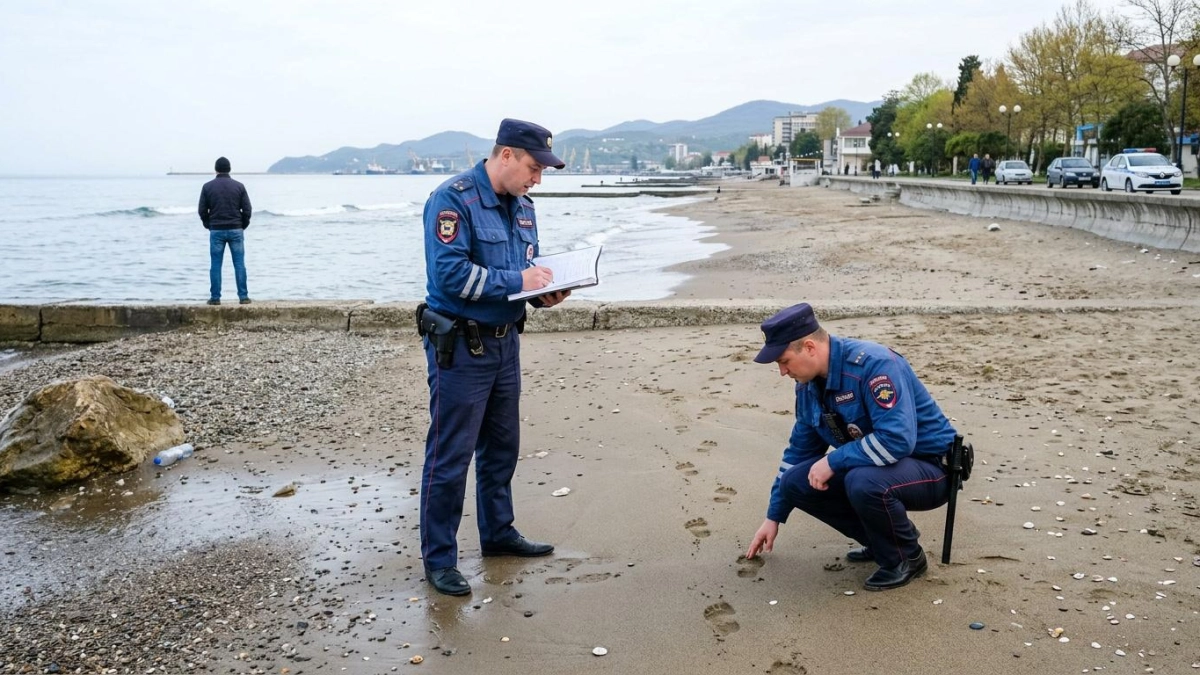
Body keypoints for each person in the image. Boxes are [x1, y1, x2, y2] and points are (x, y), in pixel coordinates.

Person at [418, 118, 571, 596]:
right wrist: (518, 283)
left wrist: (542, 293)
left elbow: (525, 269)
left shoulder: (524, 207)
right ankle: (440, 559)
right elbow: (450, 276)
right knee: (450, 456)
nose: (537, 179)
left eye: (542, 171)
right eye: (532, 167)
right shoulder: (452, 199)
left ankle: (498, 533)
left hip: (506, 342)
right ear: (505, 155)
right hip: (461, 346)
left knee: (502, 448)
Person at [745, 303, 958, 591]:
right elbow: (798, 454)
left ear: (809, 347)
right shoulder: (807, 387)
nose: (782, 371)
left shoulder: (874, 365)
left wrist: (833, 462)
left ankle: (906, 558)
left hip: (933, 468)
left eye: (784, 361)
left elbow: (897, 439)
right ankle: (881, 541)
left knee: (862, 480)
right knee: (795, 482)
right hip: (882, 468)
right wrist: (773, 516)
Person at [198, 157, 252, 305]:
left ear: (216, 169)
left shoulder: (207, 187)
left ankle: (215, 298)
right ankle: (243, 297)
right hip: (236, 229)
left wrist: (209, 224)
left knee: (215, 264)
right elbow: (247, 210)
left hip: (216, 231)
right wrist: (242, 225)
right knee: (239, 264)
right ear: (229, 169)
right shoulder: (239, 186)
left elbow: (202, 210)